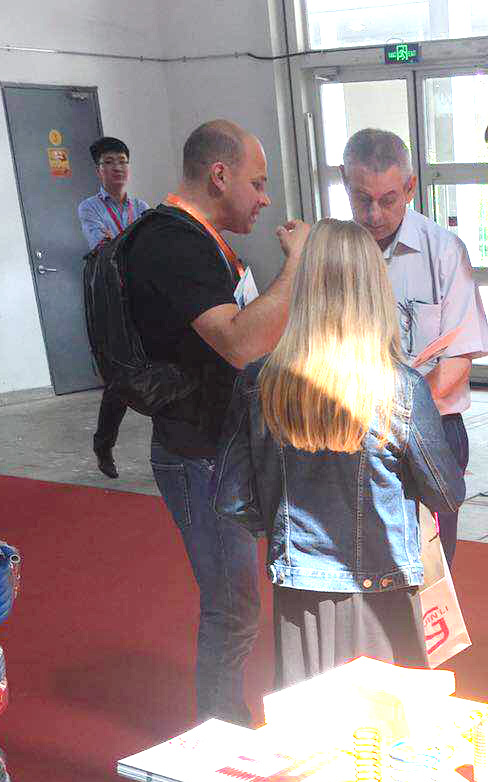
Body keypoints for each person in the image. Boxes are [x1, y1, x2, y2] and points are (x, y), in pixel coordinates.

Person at [215, 219, 463, 687]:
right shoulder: (401, 388)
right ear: (376, 290)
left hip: (299, 591)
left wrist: (286, 528)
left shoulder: (259, 382)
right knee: (389, 724)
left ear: (305, 287)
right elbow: (447, 493)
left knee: (310, 723)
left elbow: (231, 500)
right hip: (386, 589)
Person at [124, 119, 309, 725]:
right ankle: (222, 735)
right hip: (198, 453)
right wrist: (297, 265)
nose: (265, 199)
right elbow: (239, 342)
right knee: (232, 606)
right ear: (219, 175)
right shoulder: (172, 243)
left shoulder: (197, 241)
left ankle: (225, 723)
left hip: (219, 447)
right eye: (257, 183)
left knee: (239, 602)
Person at [341, 128, 488, 571]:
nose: (374, 214)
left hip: (432, 430)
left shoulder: (443, 251)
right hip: (350, 432)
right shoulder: (334, 254)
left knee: (431, 566)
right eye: (362, 199)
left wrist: (397, 419)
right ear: (345, 183)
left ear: (409, 187)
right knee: (363, 562)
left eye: (388, 200)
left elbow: (457, 361)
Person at [78, 136, 149, 480]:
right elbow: (103, 246)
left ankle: (167, 452)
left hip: (141, 298)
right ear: (99, 170)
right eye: (109, 162)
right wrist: (132, 244)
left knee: (156, 373)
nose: (117, 167)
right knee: (119, 380)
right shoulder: (89, 208)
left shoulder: (142, 207)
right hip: (110, 302)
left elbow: (147, 248)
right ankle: (103, 445)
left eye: (122, 161)